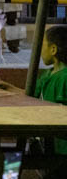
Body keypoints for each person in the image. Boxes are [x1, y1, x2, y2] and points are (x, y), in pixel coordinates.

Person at [35, 25, 67, 154]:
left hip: (61, 148)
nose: (39, 50)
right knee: (13, 153)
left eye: (43, 45)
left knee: (13, 155)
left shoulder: (64, 78)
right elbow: (29, 96)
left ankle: (7, 175)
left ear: (53, 49)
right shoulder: (47, 75)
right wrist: (7, 88)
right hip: (46, 139)